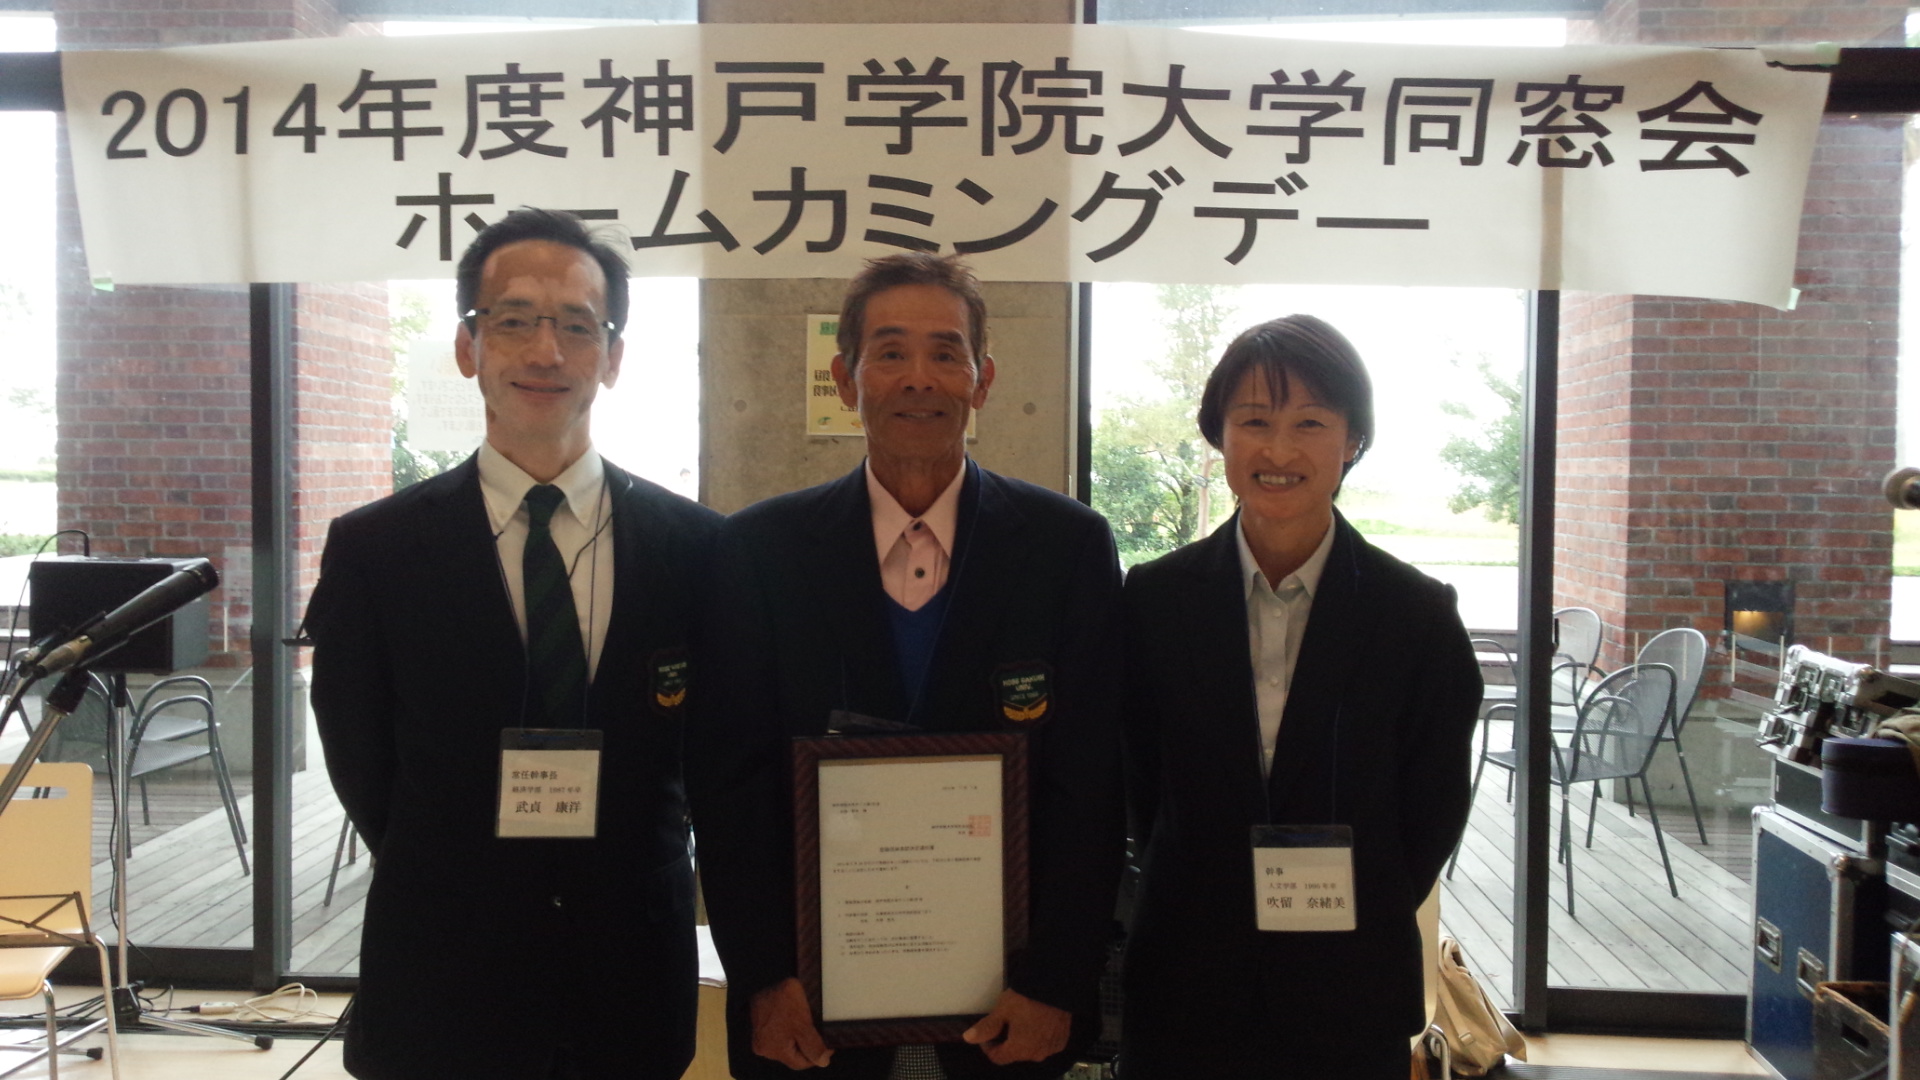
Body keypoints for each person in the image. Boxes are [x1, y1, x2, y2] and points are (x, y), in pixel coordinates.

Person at [304, 208, 721, 1080]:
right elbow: (361, 760)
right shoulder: (378, 550)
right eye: (515, 320)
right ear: (469, 346)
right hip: (444, 971)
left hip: (630, 977)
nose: (546, 351)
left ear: (613, 356)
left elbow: (713, 761)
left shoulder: (698, 549)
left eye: (577, 325)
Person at [692, 253, 1125, 1080]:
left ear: (983, 379)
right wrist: (763, 978)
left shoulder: (1066, 548)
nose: (918, 378)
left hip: (1010, 1011)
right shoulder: (758, 552)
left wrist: (1055, 981)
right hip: (812, 1015)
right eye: (889, 352)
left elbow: (1092, 785)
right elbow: (730, 786)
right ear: (845, 378)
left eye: (945, 352)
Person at [1117, 315, 1481, 1078]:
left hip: (1348, 986)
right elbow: (1139, 782)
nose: (1278, 452)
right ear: (1220, 436)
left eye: (1310, 423)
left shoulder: (1415, 615)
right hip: (1188, 975)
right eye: (1254, 421)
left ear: (1352, 440)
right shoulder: (1155, 601)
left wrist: (1357, 899)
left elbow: (1433, 806)